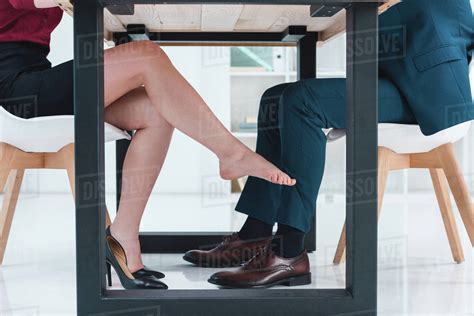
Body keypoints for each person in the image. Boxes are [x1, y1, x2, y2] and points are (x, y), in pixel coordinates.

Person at [0, 0, 297, 290]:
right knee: (146, 55)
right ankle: (231, 153)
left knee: (157, 109)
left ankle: (123, 238)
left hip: (36, 77)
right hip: (14, 91)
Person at [184, 0, 474, 289]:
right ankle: (255, 232)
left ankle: (289, 250)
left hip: (431, 97)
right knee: (275, 98)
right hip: (394, 79)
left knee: (301, 101)